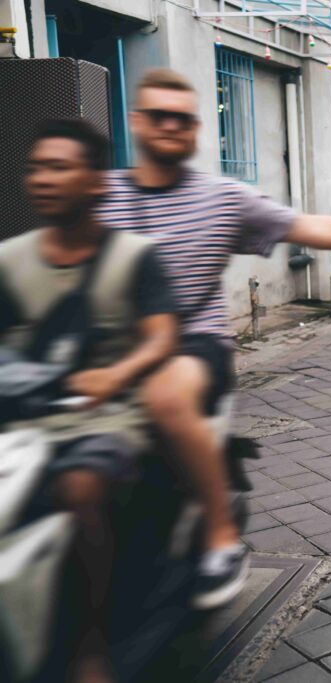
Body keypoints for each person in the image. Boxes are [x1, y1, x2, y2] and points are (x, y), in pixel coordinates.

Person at [95, 68, 331, 609]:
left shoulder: (219, 198)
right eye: (158, 117)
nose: (169, 127)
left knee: (165, 393)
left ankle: (219, 536)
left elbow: (311, 227)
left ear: (195, 131)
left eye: (182, 120)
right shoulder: (105, 195)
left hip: (193, 347)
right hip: (113, 349)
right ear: (137, 122)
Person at [0, 119, 178, 683]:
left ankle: (90, 642)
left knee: (80, 488)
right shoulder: (9, 259)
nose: (43, 179)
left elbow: (160, 336)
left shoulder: (134, 257)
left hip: (106, 417)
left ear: (98, 181)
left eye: (60, 167)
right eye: (36, 168)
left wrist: (116, 374)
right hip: (22, 415)